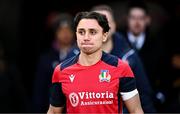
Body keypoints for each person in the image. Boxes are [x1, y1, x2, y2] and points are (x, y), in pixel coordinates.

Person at [47, 11, 143, 113]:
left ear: (104, 36)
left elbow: (136, 110)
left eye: (92, 32)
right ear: (76, 35)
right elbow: (53, 111)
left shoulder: (121, 68)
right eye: (81, 32)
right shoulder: (61, 71)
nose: (86, 37)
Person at [91, 5, 156, 112]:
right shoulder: (75, 56)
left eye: (106, 22)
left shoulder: (129, 56)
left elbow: (144, 95)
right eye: (97, 23)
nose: (102, 27)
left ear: (114, 26)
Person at [32, 13, 79, 112]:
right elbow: (40, 90)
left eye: (69, 30)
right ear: (55, 33)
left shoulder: (82, 55)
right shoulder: (46, 58)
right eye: (61, 30)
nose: (65, 34)